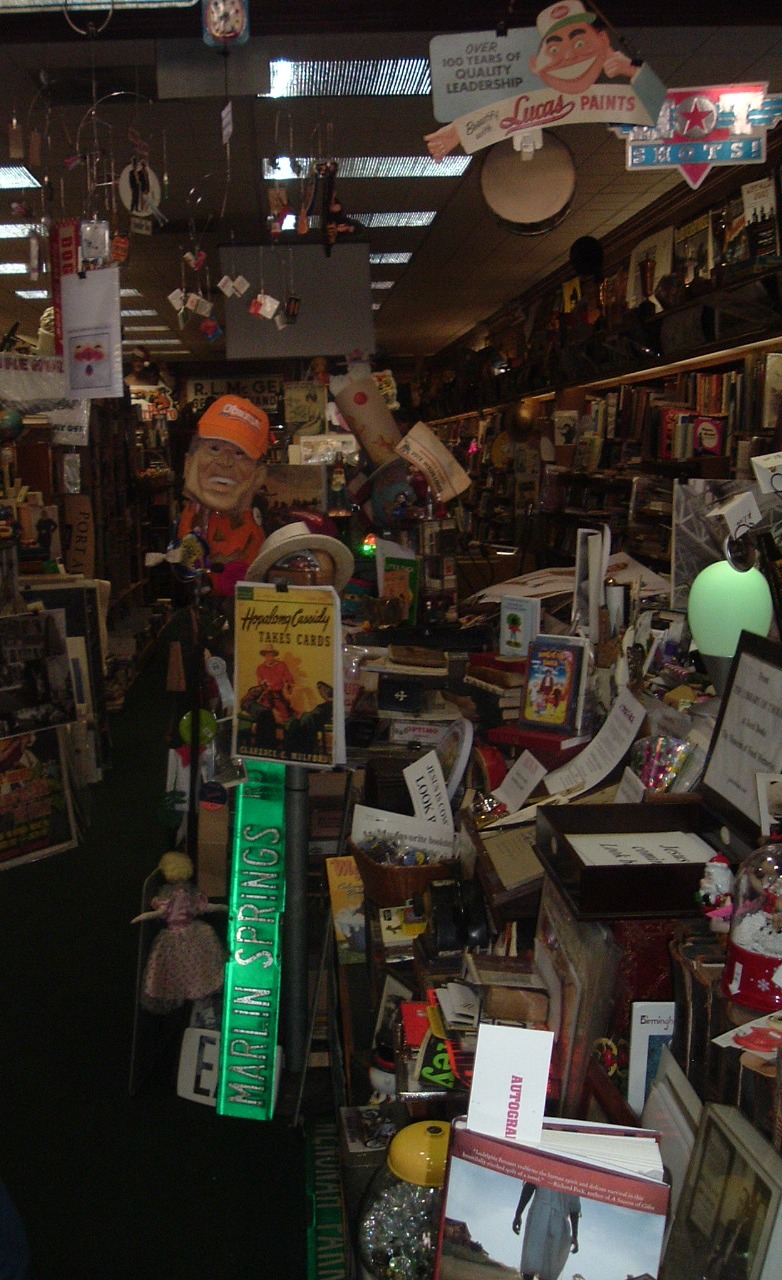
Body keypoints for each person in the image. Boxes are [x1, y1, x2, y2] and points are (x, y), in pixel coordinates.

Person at [177, 395, 271, 595]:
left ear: (258, 477)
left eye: (239, 454)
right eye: (214, 449)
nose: (224, 462)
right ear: (188, 464)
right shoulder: (187, 521)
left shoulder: (266, 528)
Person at [512, 1182, 580, 1280]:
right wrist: (518, 1214)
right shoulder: (547, 1167)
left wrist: (575, 1235)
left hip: (551, 1220)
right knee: (532, 1262)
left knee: (547, 1268)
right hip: (541, 1217)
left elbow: (574, 1208)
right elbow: (530, 1185)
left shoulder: (574, 1177)